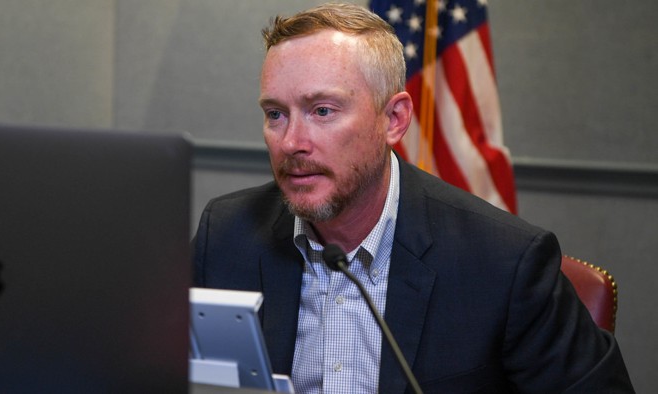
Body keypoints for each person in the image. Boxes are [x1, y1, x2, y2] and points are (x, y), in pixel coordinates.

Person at [192, 2, 633, 393]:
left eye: (322, 110)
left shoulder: (504, 263)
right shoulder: (228, 234)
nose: (291, 142)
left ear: (395, 120)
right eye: (275, 114)